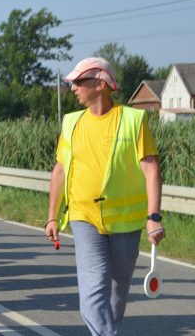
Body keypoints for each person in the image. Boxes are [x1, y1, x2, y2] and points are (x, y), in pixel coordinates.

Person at [45, 57, 165, 336]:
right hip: (83, 216)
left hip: (126, 221)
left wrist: (154, 217)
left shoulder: (133, 120)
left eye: (78, 82)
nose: (72, 87)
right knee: (93, 287)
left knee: (116, 294)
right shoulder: (71, 122)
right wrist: (52, 215)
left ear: (100, 84)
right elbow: (60, 169)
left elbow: (151, 168)